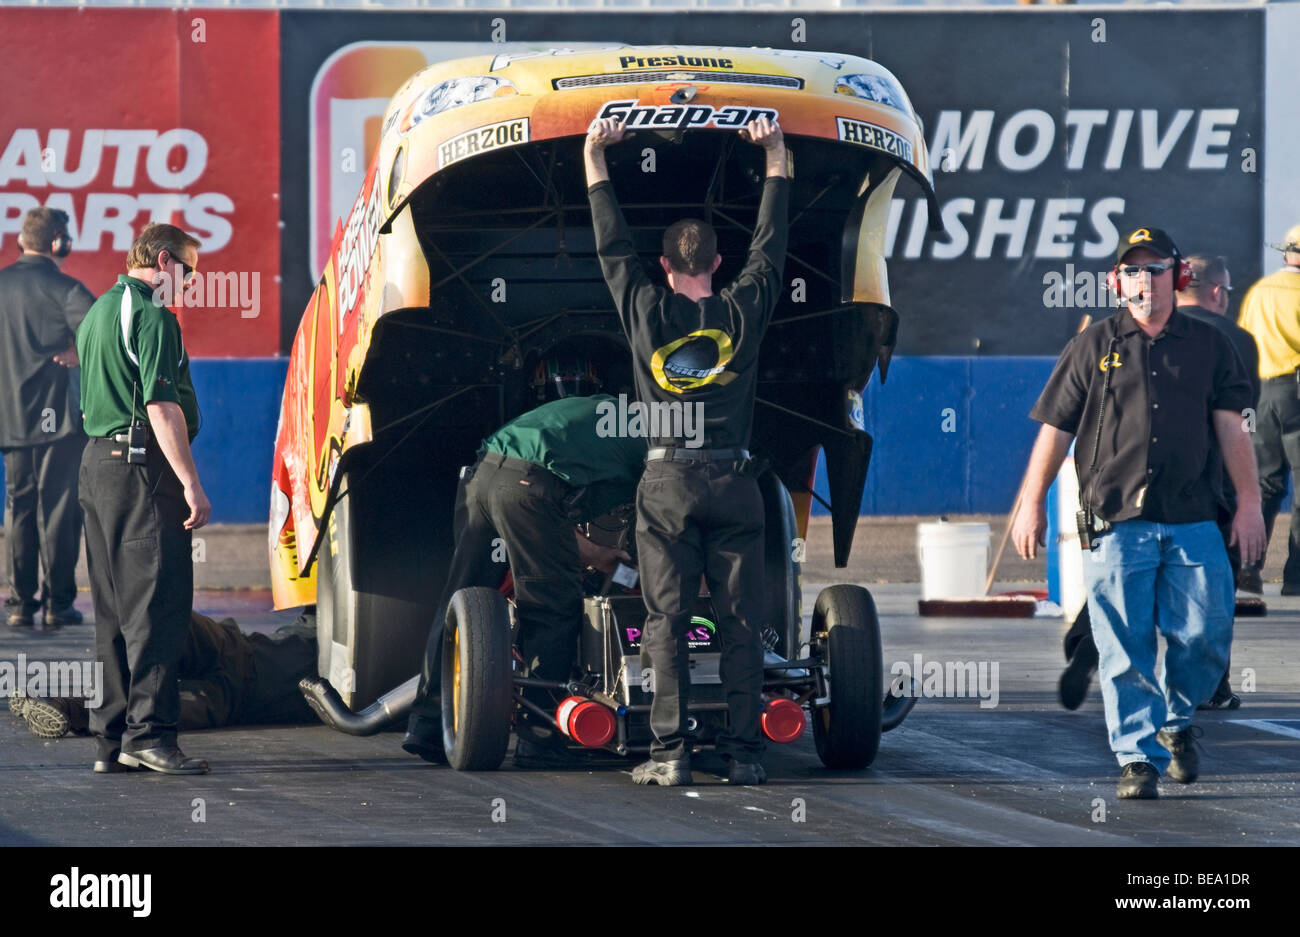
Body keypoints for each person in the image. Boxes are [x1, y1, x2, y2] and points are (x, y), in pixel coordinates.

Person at [1013, 226, 1264, 800]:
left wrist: (1250, 505)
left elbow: (1234, 432)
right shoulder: (1091, 345)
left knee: (1205, 638)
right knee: (1123, 651)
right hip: (1116, 523)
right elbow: (1055, 431)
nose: (1143, 281)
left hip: (1196, 518)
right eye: (1133, 271)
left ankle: (1176, 723)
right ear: (1115, 280)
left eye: (1155, 270)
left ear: (1177, 277)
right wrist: (1031, 502)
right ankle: (1137, 759)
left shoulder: (1210, 345)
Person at [584, 115, 788, 786]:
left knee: (665, 619)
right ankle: (746, 755)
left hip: (668, 478)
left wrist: (596, 159)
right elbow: (772, 246)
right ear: (717, 264)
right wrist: (776, 157)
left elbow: (613, 250)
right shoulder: (743, 308)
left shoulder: (644, 307)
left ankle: (669, 754)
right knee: (740, 623)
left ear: (667, 265)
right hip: (734, 477)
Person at [401, 378, 644, 768]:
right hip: (528, 485)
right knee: (553, 605)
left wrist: (597, 554)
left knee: (461, 597)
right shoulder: (661, 441)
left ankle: (428, 725)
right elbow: (670, 519)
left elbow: (547, 511)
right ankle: (541, 738)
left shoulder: (604, 410)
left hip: (483, 476)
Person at [76, 222, 211, 776]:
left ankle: (111, 742)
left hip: (96, 468)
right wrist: (190, 483)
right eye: (188, 272)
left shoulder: (97, 311)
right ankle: (151, 736)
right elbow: (160, 406)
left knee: (111, 608)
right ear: (163, 260)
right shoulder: (153, 314)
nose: (189, 285)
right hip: (139, 471)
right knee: (157, 603)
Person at [0, 208, 95, 630]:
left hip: (10, 419)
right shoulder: (66, 289)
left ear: (23, 241)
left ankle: (21, 604)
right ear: (59, 241)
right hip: (58, 419)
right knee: (58, 509)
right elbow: (107, 336)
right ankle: (59, 604)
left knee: (18, 506)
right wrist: (81, 354)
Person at [9, 610, 317, 739]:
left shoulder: (356, 691)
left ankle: (65, 706)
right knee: (163, 619)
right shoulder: (337, 617)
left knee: (154, 710)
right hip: (237, 648)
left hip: (235, 699)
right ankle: (88, 695)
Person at [1237, 224, 1300, 594]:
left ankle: (1247, 569)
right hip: (1296, 391)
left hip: (1260, 393)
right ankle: (1296, 577)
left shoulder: (1259, 291)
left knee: (1263, 485)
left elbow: (1244, 339)